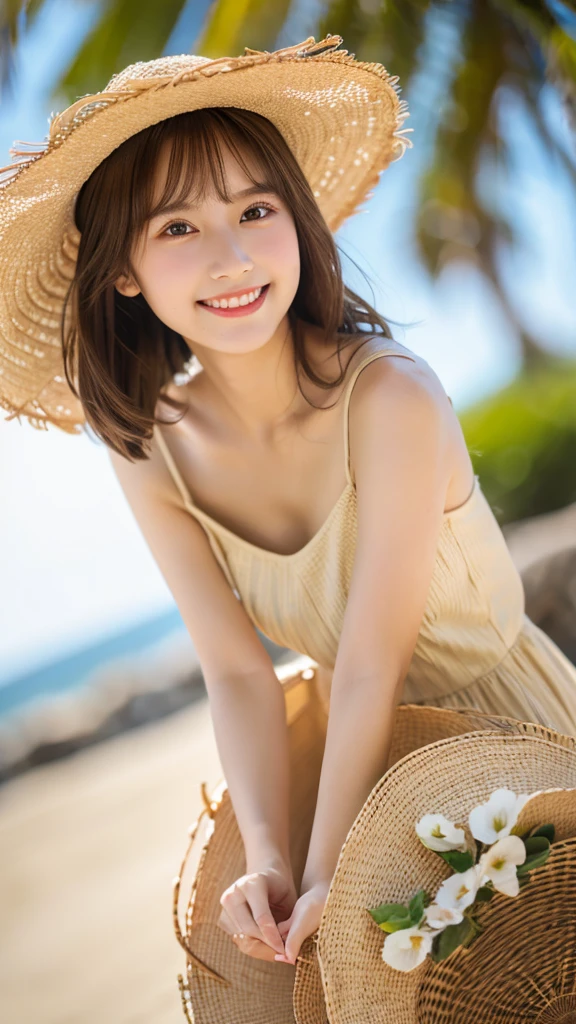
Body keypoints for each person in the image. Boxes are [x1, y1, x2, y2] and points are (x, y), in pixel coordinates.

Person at [1, 35, 575, 976]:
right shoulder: (150, 446)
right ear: (124, 271)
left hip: (513, 740)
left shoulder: (388, 396)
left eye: (254, 210)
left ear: (295, 220)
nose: (231, 258)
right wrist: (269, 858)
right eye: (177, 228)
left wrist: (326, 871)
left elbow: (370, 662)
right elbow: (234, 674)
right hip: (360, 769)